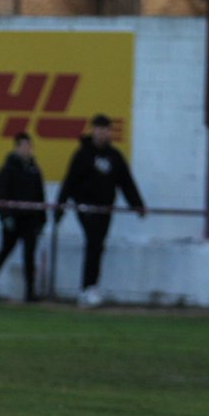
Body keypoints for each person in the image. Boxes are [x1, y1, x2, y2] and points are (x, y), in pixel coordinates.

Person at [54, 113, 145, 308]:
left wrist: (137, 205)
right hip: (86, 206)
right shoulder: (82, 155)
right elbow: (69, 182)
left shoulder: (115, 157)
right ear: (93, 130)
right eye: (99, 129)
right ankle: (88, 288)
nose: (102, 133)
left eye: (106, 130)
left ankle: (89, 288)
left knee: (98, 245)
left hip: (105, 208)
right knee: (94, 242)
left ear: (109, 132)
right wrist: (59, 208)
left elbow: (126, 182)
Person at [0, 132, 47, 302]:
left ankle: (30, 291)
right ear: (16, 147)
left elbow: (40, 196)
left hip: (30, 219)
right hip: (13, 218)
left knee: (29, 256)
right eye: (23, 145)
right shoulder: (7, 169)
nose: (27, 149)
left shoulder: (34, 170)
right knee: (4, 252)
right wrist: (5, 217)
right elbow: (0, 195)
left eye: (29, 146)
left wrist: (42, 218)